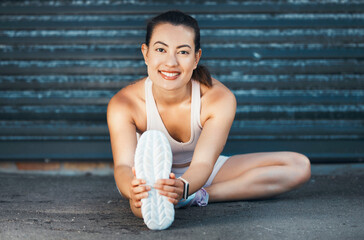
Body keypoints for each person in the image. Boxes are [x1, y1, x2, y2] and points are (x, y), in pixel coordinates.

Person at [107, 10, 311, 219]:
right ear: (146, 53)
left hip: (200, 174)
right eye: (161, 49)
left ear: (196, 58)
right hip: (151, 178)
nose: (171, 63)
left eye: (183, 52)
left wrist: (185, 188)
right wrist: (132, 189)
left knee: (298, 166)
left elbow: (203, 163)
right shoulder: (124, 103)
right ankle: (165, 197)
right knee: (141, 208)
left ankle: (199, 197)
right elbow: (123, 166)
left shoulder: (218, 98)